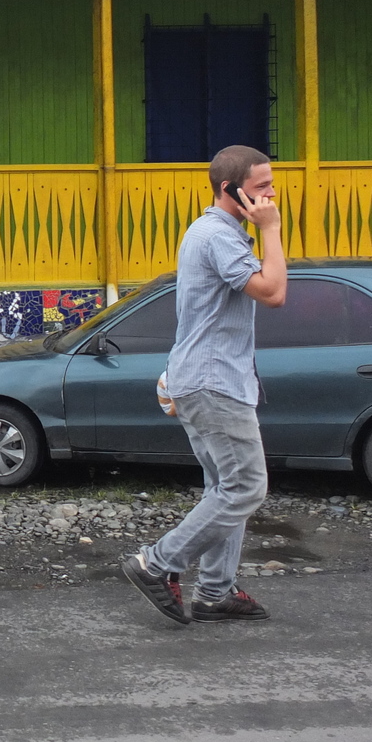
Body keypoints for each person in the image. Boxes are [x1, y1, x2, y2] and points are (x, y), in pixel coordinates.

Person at [121, 144, 287, 624]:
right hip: (213, 381)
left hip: (206, 379)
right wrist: (272, 230)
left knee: (225, 487)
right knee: (247, 486)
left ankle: (214, 592)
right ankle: (157, 563)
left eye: (271, 186)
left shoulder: (219, 233)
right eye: (261, 188)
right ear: (228, 189)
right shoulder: (217, 236)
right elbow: (274, 292)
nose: (271, 196)